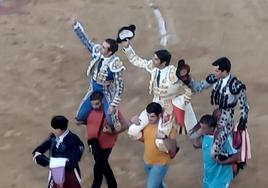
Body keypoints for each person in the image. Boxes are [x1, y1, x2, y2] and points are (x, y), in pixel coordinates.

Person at [119, 31, 197, 146]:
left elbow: (189, 88)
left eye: (155, 59)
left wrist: (181, 102)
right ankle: (151, 142)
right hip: (155, 103)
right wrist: (127, 47)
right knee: (132, 132)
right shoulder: (153, 67)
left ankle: (170, 147)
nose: (153, 60)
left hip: (168, 107)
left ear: (163, 62)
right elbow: (137, 60)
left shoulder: (174, 73)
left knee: (160, 142)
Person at [182, 57, 249, 158]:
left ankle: (233, 158)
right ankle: (211, 145)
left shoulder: (236, 86)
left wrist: (243, 121)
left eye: (217, 71)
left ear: (225, 71)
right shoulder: (215, 79)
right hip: (215, 114)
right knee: (192, 136)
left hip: (226, 120)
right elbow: (198, 88)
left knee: (214, 153)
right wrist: (188, 80)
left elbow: (244, 106)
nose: (214, 72)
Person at [73, 20, 125, 131]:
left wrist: (113, 105)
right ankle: (97, 109)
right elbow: (86, 42)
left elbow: (120, 87)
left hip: (107, 90)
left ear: (110, 52)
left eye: (104, 47)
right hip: (94, 87)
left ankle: (111, 115)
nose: (100, 48)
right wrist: (77, 27)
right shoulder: (98, 52)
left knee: (112, 123)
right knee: (79, 117)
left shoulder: (115, 64)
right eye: (102, 46)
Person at [85, 91, 130, 188]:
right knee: (104, 165)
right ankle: (113, 185)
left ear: (102, 101)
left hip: (106, 145)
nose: (94, 106)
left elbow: (125, 125)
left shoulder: (111, 112)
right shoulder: (89, 111)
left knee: (98, 168)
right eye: (92, 104)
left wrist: (112, 131)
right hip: (92, 144)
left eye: (97, 104)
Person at [32, 115, 84, 188]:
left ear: (61, 129)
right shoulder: (54, 137)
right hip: (56, 173)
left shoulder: (73, 141)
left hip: (69, 175)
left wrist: (49, 162)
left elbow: (71, 163)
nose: (53, 130)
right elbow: (38, 151)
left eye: (55, 129)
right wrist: (39, 157)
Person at [192, 114, 239, 188]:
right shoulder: (205, 135)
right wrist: (198, 134)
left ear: (212, 128)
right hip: (208, 176)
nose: (201, 130)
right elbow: (196, 145)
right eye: (201, 127)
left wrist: (221, 162)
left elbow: (237, 156)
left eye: (204, 128)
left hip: (220, 178)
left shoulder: (224, 139)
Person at [139, 102, 178, 188]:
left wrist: (164, 137)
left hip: (160, 164)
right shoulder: (145, 124)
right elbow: (142, 139)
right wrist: (132, 122)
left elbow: (173, 150)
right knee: (158, 185)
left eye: (152, 116)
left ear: (159, 115)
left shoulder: (168, 128)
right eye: (148, 116)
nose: (149, 119)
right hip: (146, 161)